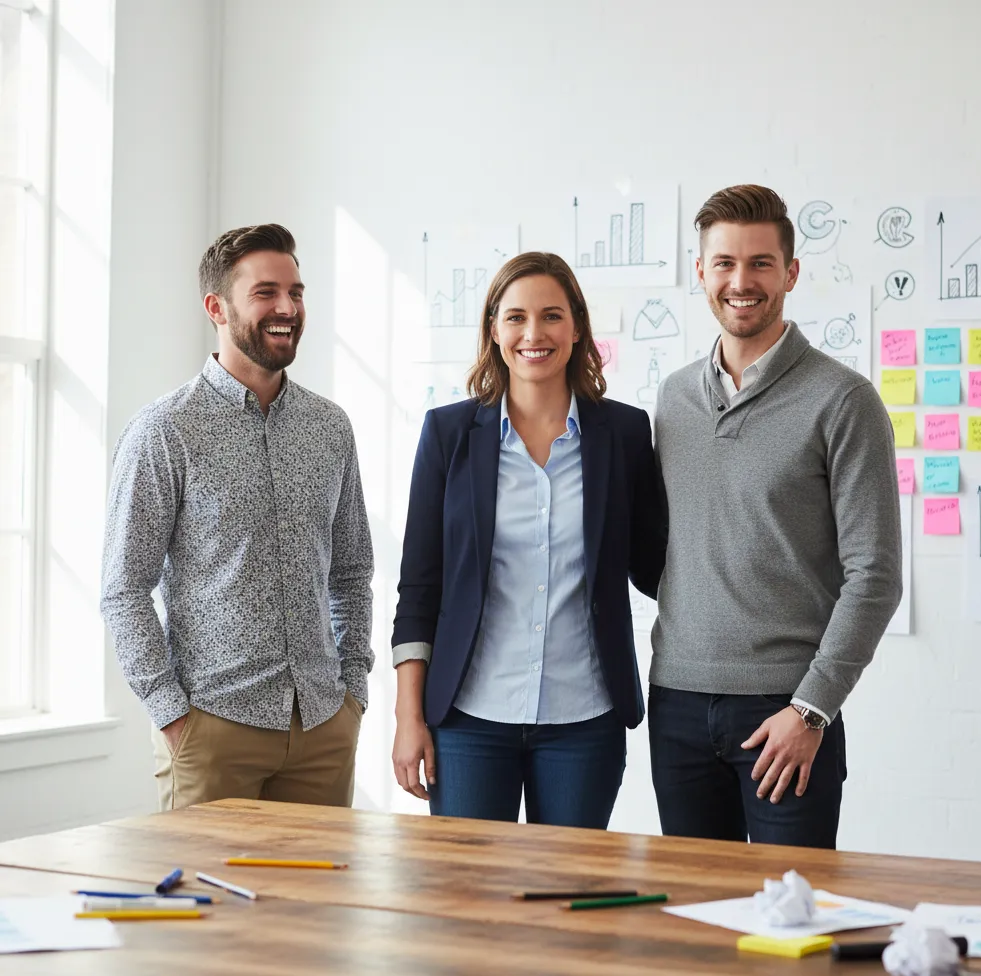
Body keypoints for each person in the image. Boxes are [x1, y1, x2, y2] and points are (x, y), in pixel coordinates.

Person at [649, 185, 902, 849]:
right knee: (698, 923)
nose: (742, 281)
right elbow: (670, 551)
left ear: (790, 273)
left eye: (761, 263)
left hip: (786, 710)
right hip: (674, 702)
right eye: (725, 263)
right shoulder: (673, 400)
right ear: (700, 272)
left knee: (792, 921)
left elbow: (874, 573)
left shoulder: (843, 400)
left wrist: (812, 708)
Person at [100, 223, 374, 811]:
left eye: (296, 293)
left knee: (310, 903)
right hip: (213, 727)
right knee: (206, 902)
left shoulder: (330, 428)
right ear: (215, 307)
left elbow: (351, 571)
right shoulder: (166, 430)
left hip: (323, 726)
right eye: (266, 292)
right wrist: (174, 717)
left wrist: (353, 693)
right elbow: (124, 588)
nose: (287, 308)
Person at [391, 252, 664, 828]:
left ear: (577, 328)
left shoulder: (624, 434)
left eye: (551, 316)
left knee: (565, 897)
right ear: (494, 330)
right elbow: (419, 587)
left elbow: (655, 564)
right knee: (468, 898)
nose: (533, 334)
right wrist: (408, 718)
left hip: (584, 719)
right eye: (515, 318)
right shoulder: (447, 435)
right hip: (468, 718)